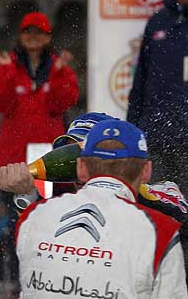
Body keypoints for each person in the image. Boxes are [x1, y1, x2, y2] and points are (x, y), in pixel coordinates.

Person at [15, 119, 188, 298]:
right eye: (66, 155)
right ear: (145, 170)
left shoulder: (36, 216)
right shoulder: (161, 231)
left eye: (75, 157)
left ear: (81, 167)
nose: (68, 167)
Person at [0, 11, 78, 172]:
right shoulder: (7, 67)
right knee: (13, 194)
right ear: (20, 36)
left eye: (39, 32)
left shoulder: (60, 69)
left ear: (48, 37)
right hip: (14, 153)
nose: (33, 36)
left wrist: (58, 74)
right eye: (28, 31)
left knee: (52, 197)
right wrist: (8, 73)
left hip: (51, 153)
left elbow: (62, 104)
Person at [127, 0, 188, 194]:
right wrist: (133, 126)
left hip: (186, 139)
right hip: (156, 135)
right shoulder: (157, 21)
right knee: (155, 201)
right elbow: (140, 80)